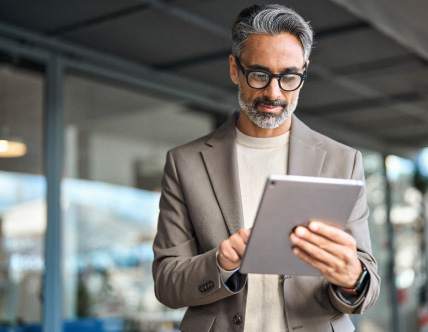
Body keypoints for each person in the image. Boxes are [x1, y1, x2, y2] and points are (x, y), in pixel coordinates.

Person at [152, 4, 380, 332]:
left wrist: (352, 278)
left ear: (304, 73)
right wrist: (220, 263)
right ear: (234, 69)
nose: (274, 93)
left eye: (289, 77)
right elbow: (166, 283)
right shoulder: (185, 163)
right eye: (259, 74)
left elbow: (367, 287)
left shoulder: (343, 161)